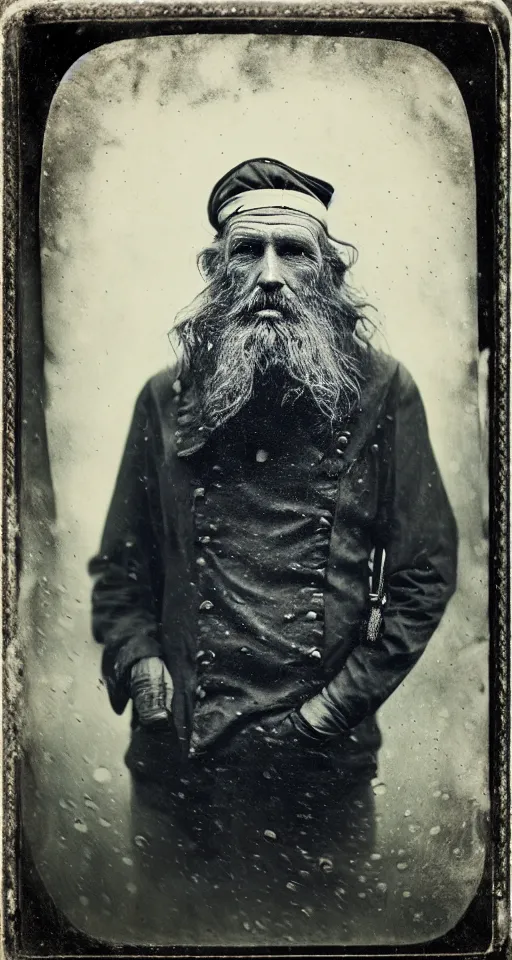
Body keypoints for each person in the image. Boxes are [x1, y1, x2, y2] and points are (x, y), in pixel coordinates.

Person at [88, 158, 458, 940]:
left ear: (328, 273)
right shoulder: (166, 396)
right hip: (177, 765)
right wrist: (139, 660)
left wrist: (331, 713)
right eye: (244, 253)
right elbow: (122, 570)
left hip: (318, 772)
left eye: (293, 252)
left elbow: (424, 574)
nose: (269, 275)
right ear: (217, 273)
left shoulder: (383, 391)